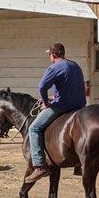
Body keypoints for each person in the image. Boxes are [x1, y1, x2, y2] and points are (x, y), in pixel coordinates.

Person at [24, 42, 86, 183]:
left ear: (53, 55)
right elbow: (71, 88)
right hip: (80, 106)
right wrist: (54, 97)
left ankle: (39, 166)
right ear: (63, 53)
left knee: (34, 128)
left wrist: (46, 103)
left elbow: (41, 87)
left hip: (63, 106)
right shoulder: (75, 65)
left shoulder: (54, 67)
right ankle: (78, 163)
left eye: (50, 55)